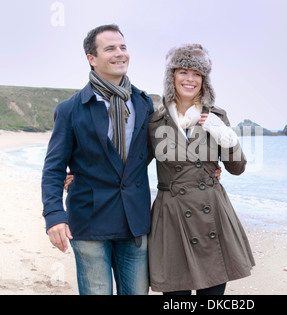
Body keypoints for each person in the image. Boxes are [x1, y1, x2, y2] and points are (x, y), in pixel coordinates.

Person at [41, 24, 154, 295]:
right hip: (88, 218)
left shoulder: (144, 103)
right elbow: (54, 167)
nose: (120, 53)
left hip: (134, 220)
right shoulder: (70, 110)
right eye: (110, 48)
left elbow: (151, 154)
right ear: (91, 58)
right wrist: (55, 215)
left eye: (123, 47)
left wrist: (208, 167)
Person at [147, 44, 255, 295]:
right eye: (183, 71)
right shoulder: (154, 120)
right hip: (172, 216)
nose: (190, 79)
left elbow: (237, 168)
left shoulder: (216, 116)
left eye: (197, 74)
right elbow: (134, 166)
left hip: (212, 213)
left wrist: (226, 136)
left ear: (204, 81)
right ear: (171, 76)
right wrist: (85, 174)